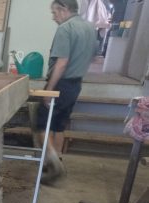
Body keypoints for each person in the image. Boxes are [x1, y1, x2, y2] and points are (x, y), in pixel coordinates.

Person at [38, 0, 98, 183]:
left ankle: (53, 164)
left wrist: (49, 89)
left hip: (60, 84)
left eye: (54, 12)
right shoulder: (90, 28)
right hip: (75, 84)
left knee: (42, 126)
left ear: (64, 9)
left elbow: (62, 63)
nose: (53, 17)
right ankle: (57, 160)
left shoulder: (66, 28)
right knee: (59, 125)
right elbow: (93, 57)